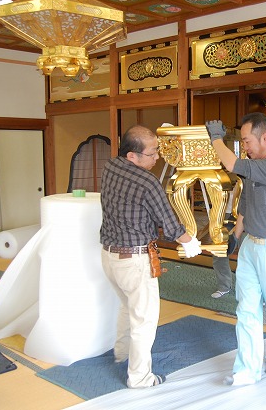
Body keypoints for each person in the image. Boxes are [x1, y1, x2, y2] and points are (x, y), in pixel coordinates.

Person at [100, 125, 202, 389]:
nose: (157, 158)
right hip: (134, 261)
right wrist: (190, 242)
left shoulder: (110, 167)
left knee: (128, 307)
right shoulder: (147, 182)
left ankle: (122, 355)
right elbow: (169, 223)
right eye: (152, 153)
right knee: (144, 321)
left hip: (109, 257)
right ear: (132, 155)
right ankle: (139, 377)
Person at [206, 113, 266, 386]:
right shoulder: (253, 171)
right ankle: (247, 369)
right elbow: (245, 208)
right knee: (246, 308)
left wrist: (216, 139)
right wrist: (234, 238)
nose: (244, 147)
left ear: (265, 138)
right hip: (251, 246)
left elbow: (232, 163)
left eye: (247, 141)